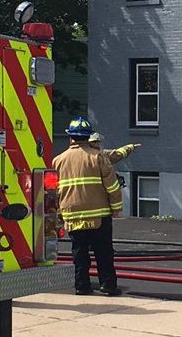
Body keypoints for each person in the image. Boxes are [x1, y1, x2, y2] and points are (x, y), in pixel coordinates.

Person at [53, 116, 129, 296]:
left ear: (70, 138)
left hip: (72, 216)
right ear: (88, 138)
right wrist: (116, 209)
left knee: (79, 254)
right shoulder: (99, 157)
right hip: (99, 216)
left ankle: (82, 286)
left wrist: (57, 213)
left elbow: (53, 191)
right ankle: (108, 286)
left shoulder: (58, 161)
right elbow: (112, 186)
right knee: (103, 253)